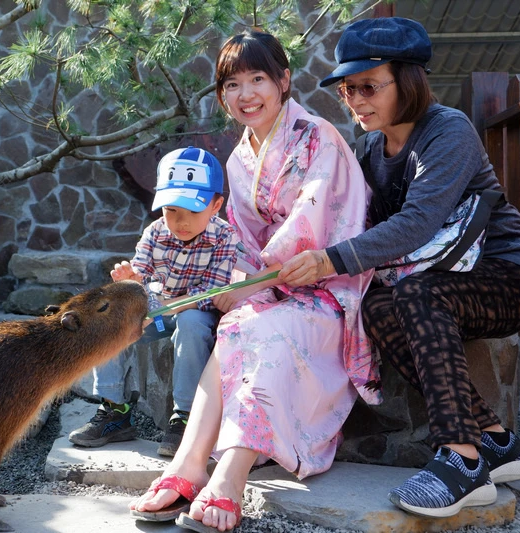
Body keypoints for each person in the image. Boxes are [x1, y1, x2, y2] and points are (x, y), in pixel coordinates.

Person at [129, 30, 380, 532]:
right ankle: (187, 465)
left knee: (258, 327)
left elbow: (307, 227)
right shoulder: (238, 159)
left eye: (258, 79)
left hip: (326, 286)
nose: (245, 95)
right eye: (232, 84)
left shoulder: (317, 138)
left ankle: (229, 478)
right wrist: (236, 283)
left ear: (284, 80)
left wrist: (252, 283)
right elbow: (237, 239)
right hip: (268, 287)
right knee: (238, 324)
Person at [280, 17, 520, 519]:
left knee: (416, 296)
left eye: (369, 86)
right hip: (445, 279)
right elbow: (355, 218)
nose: (355, 99)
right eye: (348, 88)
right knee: (375, 305)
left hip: (509, 275)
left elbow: (415, 225)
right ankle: (496, 441)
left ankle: (460, 461)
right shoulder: (370, 147)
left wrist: (330, 260)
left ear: (409, 79)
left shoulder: (449, 130)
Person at [69, 146, 239, 457]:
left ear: (216, 205)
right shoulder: (155, 232)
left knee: (189, 324)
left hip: (196, 313)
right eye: (171, 210)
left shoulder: (225, 237)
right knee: (111, 320)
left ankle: (185, 417)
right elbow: (142, 277)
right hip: (159, 308)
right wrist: (131, 282)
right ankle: (115, 410)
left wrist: (162, 306)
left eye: (192, 211)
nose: (180, 221)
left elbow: (210, 294)